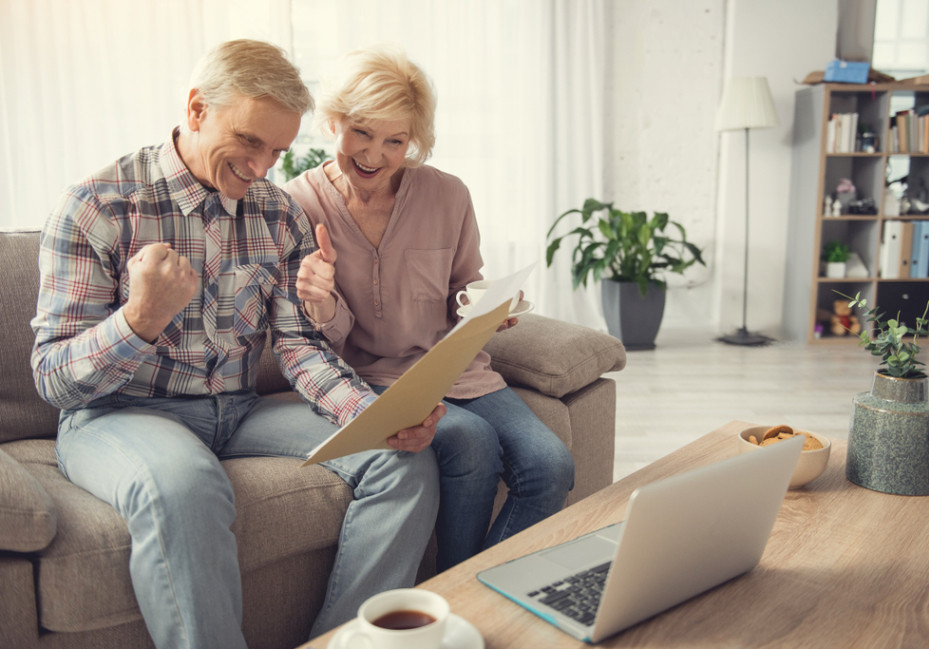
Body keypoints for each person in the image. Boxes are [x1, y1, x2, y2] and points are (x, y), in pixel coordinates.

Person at [31, 39, 444, 648]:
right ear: (197, 109)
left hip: (238, 409)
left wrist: (374, 416)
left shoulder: (278, 215)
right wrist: (139, 320)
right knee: (186, 485)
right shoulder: (99, 206)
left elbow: (301, 347)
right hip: (118, 416)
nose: (261, 167)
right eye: (249, 141)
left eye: (277, 150)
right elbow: (52, 379)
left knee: (402, 459)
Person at [284, 45, 575, 572]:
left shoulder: (448, 195)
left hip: (459, 371)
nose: (375, 154)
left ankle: (469, 593)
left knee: (551, 465)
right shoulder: (297, 205)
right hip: (371, 379)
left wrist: (487, 308)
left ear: (413, 140)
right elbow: (316, 343)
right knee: (475, 444)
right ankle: (455, 598)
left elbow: (464, 287)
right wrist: (322, 300)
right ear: (333, 122)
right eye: (362, 133)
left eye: (395, 140)